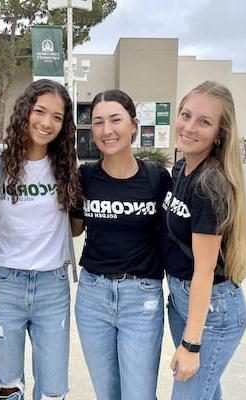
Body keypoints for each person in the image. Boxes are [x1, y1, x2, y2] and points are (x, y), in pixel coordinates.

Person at [0, 79, 81, 400]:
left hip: (53, 287)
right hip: (2, 286)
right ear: (25, 111)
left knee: (53, 391)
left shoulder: (66, 167)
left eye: (57, 116)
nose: (47, 122)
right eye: (40, 111)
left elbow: (75, 227)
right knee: (7, 386)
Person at [70, 89, 172, 400]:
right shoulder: (84, 177)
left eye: (116, 120)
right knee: (107, 394)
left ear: (134, 126)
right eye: (98, 122)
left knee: (139, 395)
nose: (106, 130)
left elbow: (179, 230)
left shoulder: (157, 178)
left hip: (141, 300)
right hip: (92, 297)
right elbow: (74, 229)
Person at [162, 81, 246, 400]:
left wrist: (191, 345)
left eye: (204, 122)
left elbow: (204, 270)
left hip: (213, 311)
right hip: (184, 302)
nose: (189, 127)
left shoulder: (209, 184)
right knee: (205, 393)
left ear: (219, 132)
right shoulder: (182, 169)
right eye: (186, 115)